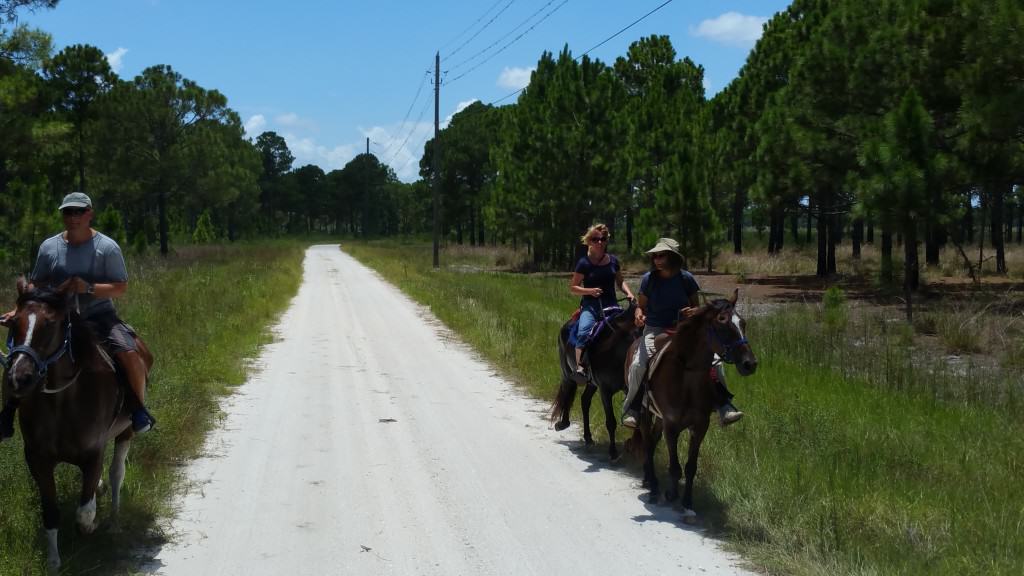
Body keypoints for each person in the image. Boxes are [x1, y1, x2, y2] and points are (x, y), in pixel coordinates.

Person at [0, 192, 155, 442]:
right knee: (20, 353)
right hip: (57, 319)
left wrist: (90, 288)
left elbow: (120, 287)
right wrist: (18, 311)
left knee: (128, 352)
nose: (73, 217)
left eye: (78, 212)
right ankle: (9, 410)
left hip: (99, 317)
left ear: (89, 214)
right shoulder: (49, 247)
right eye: (67, 212)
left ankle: (137, 410)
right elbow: (35, 284)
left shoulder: (107, 247)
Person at [622, 238, 742, 428]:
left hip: (685, 330)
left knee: (715, 363)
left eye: (661, 255)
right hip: (655, 329)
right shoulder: (649, 279)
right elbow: (641, 307)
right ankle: (633, 408)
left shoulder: (686, 278)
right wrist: (638, 315)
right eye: (655, 256)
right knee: (637, 364)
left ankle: (724, 405)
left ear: (672, 257)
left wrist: (693, 312)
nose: (656, 259)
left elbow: (697, 307)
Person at [569, 223, 635, 379]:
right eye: (595, 239)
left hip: (612, 305)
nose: (599, 242)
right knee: (584, 330)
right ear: (589, 241)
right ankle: (580, 368)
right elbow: (573, 287)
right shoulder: (583, 263)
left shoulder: (613, 261)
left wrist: (629, 293)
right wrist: (590, 291)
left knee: (630, 329)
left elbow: (620, 282)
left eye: (603, 239)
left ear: (606, 241)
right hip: (591, 306)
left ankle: (629, 366)